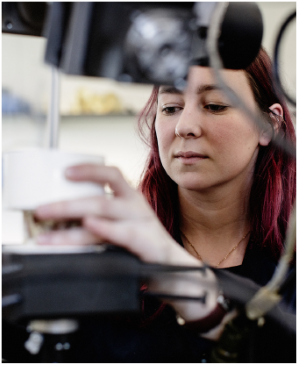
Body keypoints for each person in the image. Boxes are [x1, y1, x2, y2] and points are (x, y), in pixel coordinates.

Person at [2, 48, 296, 363]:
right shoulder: (110, 264)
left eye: (214, 105)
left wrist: (176, 274)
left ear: (269, 125)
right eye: (170, 107)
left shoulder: (289, 276)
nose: (185, 126)